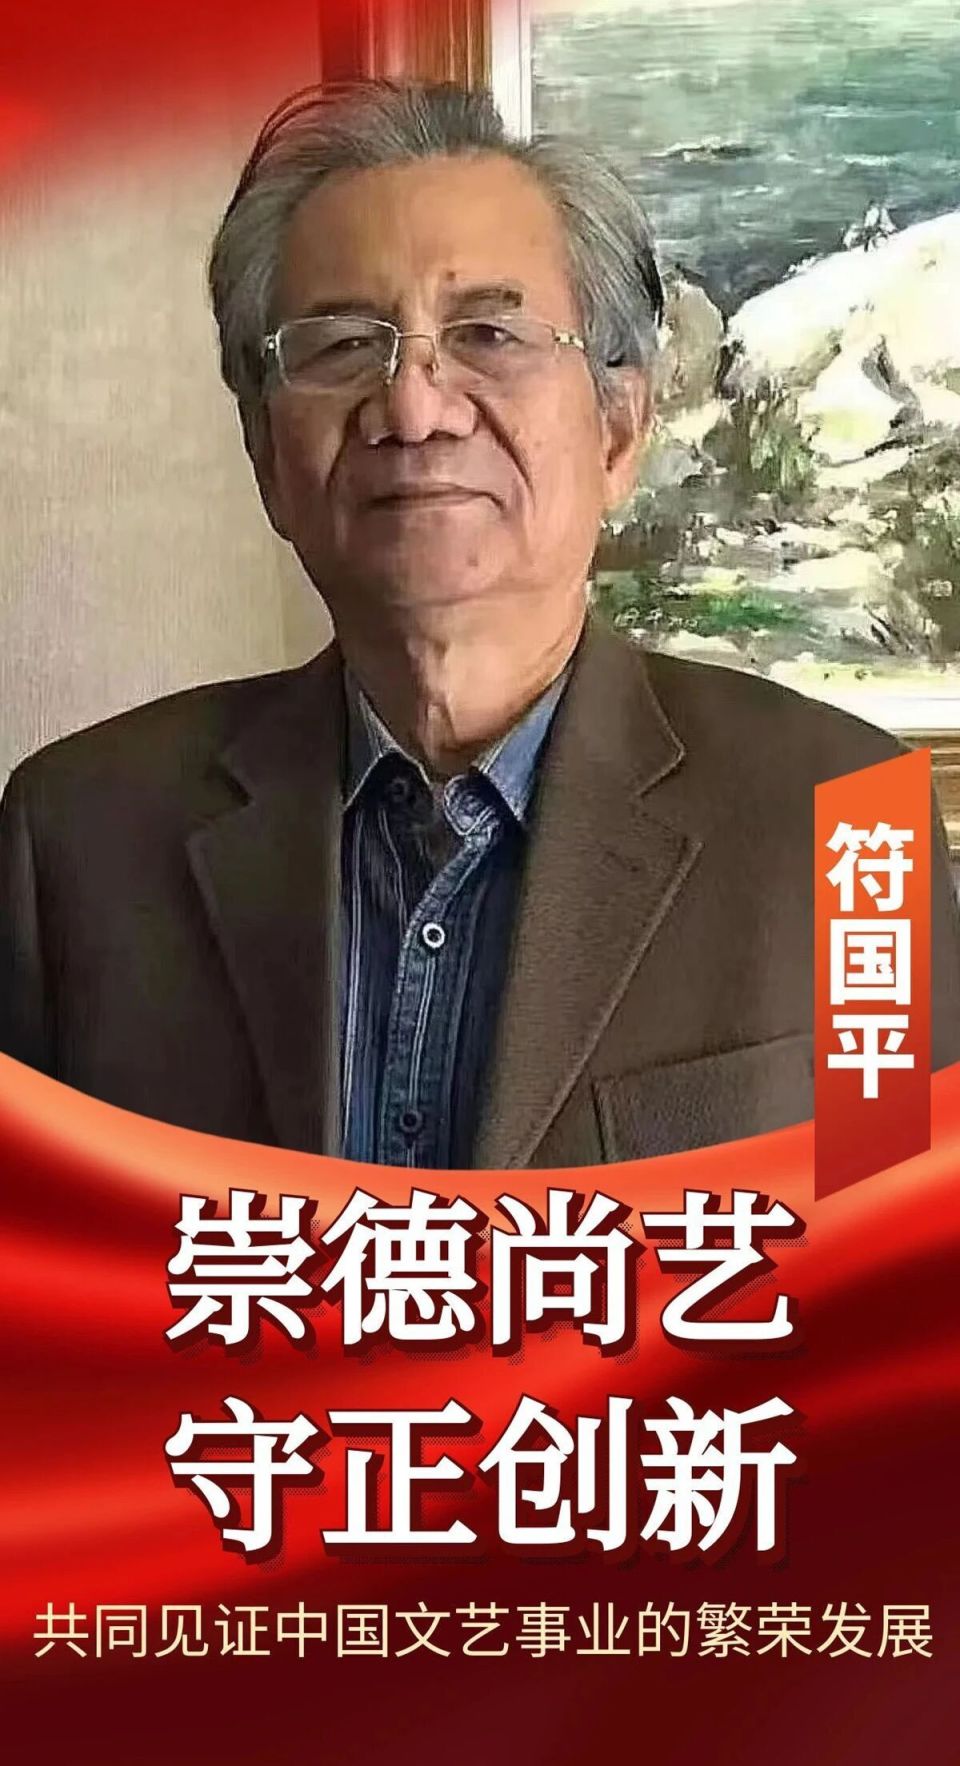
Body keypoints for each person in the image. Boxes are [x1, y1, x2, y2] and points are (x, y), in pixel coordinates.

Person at [0, 80, 957, 1169]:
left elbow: (895, 1262)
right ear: (267, 456)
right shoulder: (78, 838)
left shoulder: (852, 826)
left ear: (619, 427)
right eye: (341, 346)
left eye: (490, 334)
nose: (413, 408)